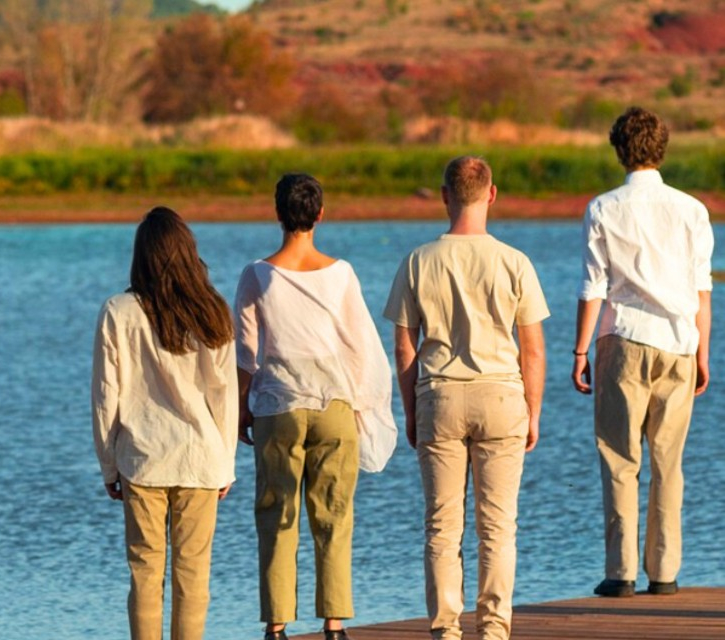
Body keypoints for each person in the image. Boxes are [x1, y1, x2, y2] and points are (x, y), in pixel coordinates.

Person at [384, 157, 548, 640]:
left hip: (440, 395)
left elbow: (403, 345)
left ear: (443, 196)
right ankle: (494, 629)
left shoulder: (418, 260)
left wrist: (411, 412)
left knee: (442, 525)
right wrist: (533, 412)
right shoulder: (514, 261)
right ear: (491, 194)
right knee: (497, 527)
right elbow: (533, 349)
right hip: (501, 397)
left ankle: (446, 630)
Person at [234, 175, 396, 640]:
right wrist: (362, 406)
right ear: (320, 214)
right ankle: (335, 622)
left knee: (275, 515)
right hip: (334, 407)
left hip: (277, 407)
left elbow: (246, 354)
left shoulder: (256, 274)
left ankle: (278, 625)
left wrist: (241, 409)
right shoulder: (341, 272)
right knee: (334, 515)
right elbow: (360, 347)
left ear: (277, 212)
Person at [572, 107, 713, 599]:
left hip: (623, 340)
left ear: (619, 151)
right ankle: (666, 574)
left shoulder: (603, 208)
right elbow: (701, 291)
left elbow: (593, 288)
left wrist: (578, 351)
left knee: (619, 458)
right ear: (662, 148)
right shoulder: (692, 209)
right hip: (679, 343)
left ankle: (621, 573)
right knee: (667, 462)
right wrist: (703, 354)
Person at [92, 207, 238, 640]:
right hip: (201, 457)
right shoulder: (211, 310)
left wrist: (108, 464)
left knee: (144, 572)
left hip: (141, 459)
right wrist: (226, 462)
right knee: (193, 576)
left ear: (141, 256)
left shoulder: (118, 311)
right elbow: (224, 395)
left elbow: (106, 397)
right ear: (188, 253)